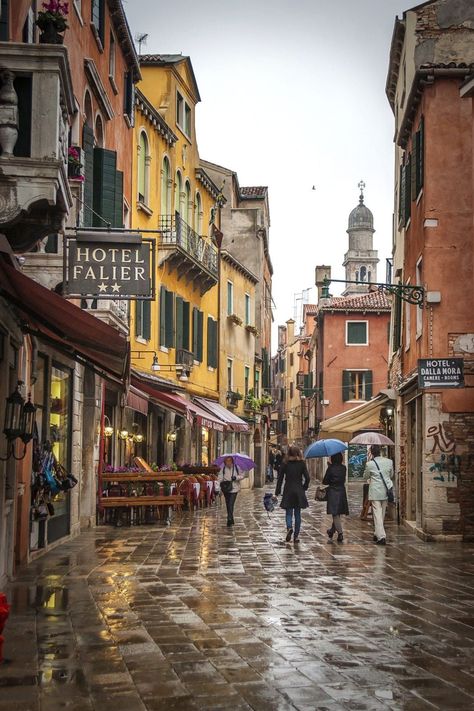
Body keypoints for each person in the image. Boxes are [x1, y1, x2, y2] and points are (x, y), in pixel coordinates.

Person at [275, 445, 310, 543]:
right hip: (299, 490)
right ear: (298, 453)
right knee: (298, 514)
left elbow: (280, 479)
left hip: (288, 490)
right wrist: (304, 487)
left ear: (288, 453)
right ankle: (296, 536)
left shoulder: (285, 463)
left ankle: (289, 527)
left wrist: (277, 492)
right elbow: (307, 478)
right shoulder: (302, 463)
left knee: (289, 512)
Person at [363, 445, 394, 545]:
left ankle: (381, 536)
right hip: (386, 490)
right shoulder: (389, 461)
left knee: (377, 514)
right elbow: (391, 475)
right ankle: (377, 533)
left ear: (372, 452)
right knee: (382, 513)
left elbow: (365, 476)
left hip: (375, 491)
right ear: (380, 451)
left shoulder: (370, 464)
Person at [323, 452, 349, 542]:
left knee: (335, 513)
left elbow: (325, 481)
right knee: (337, 513)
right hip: (341, 491)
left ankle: (340, 533)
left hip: (333, 492)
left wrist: (329, 468)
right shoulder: (344, 468)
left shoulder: (331, 468)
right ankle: (331, 530)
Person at [218, 456, 246, 527]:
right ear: (225, 462)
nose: (228, 462)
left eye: (230, 461)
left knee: (231, 503)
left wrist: (236, 477)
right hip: (226, 488)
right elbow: (220, 478)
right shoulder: (223, 468)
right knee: (227, 503)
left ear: (232, 461)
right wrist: (218, 488)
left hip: (234, 488)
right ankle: (231, 518)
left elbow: (242, 475)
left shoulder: (237, 467)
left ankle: (229, 518)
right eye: (227, 461)